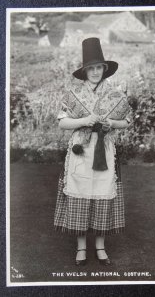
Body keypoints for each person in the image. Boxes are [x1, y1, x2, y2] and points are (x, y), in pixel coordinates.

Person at [54, 37, 132, 266]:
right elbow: (62, 122)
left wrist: (113, 125)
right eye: (91, 68)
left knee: (102, 193)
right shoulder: (73, 94)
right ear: (84, 71)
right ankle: (81, 248)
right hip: (81, 150)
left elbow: (127, 120)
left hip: (105, 151)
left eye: (99, 67)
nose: (95, 72)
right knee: (80, 192)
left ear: (105, 69)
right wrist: (85, 119)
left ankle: (100, 247)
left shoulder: (115, 95)